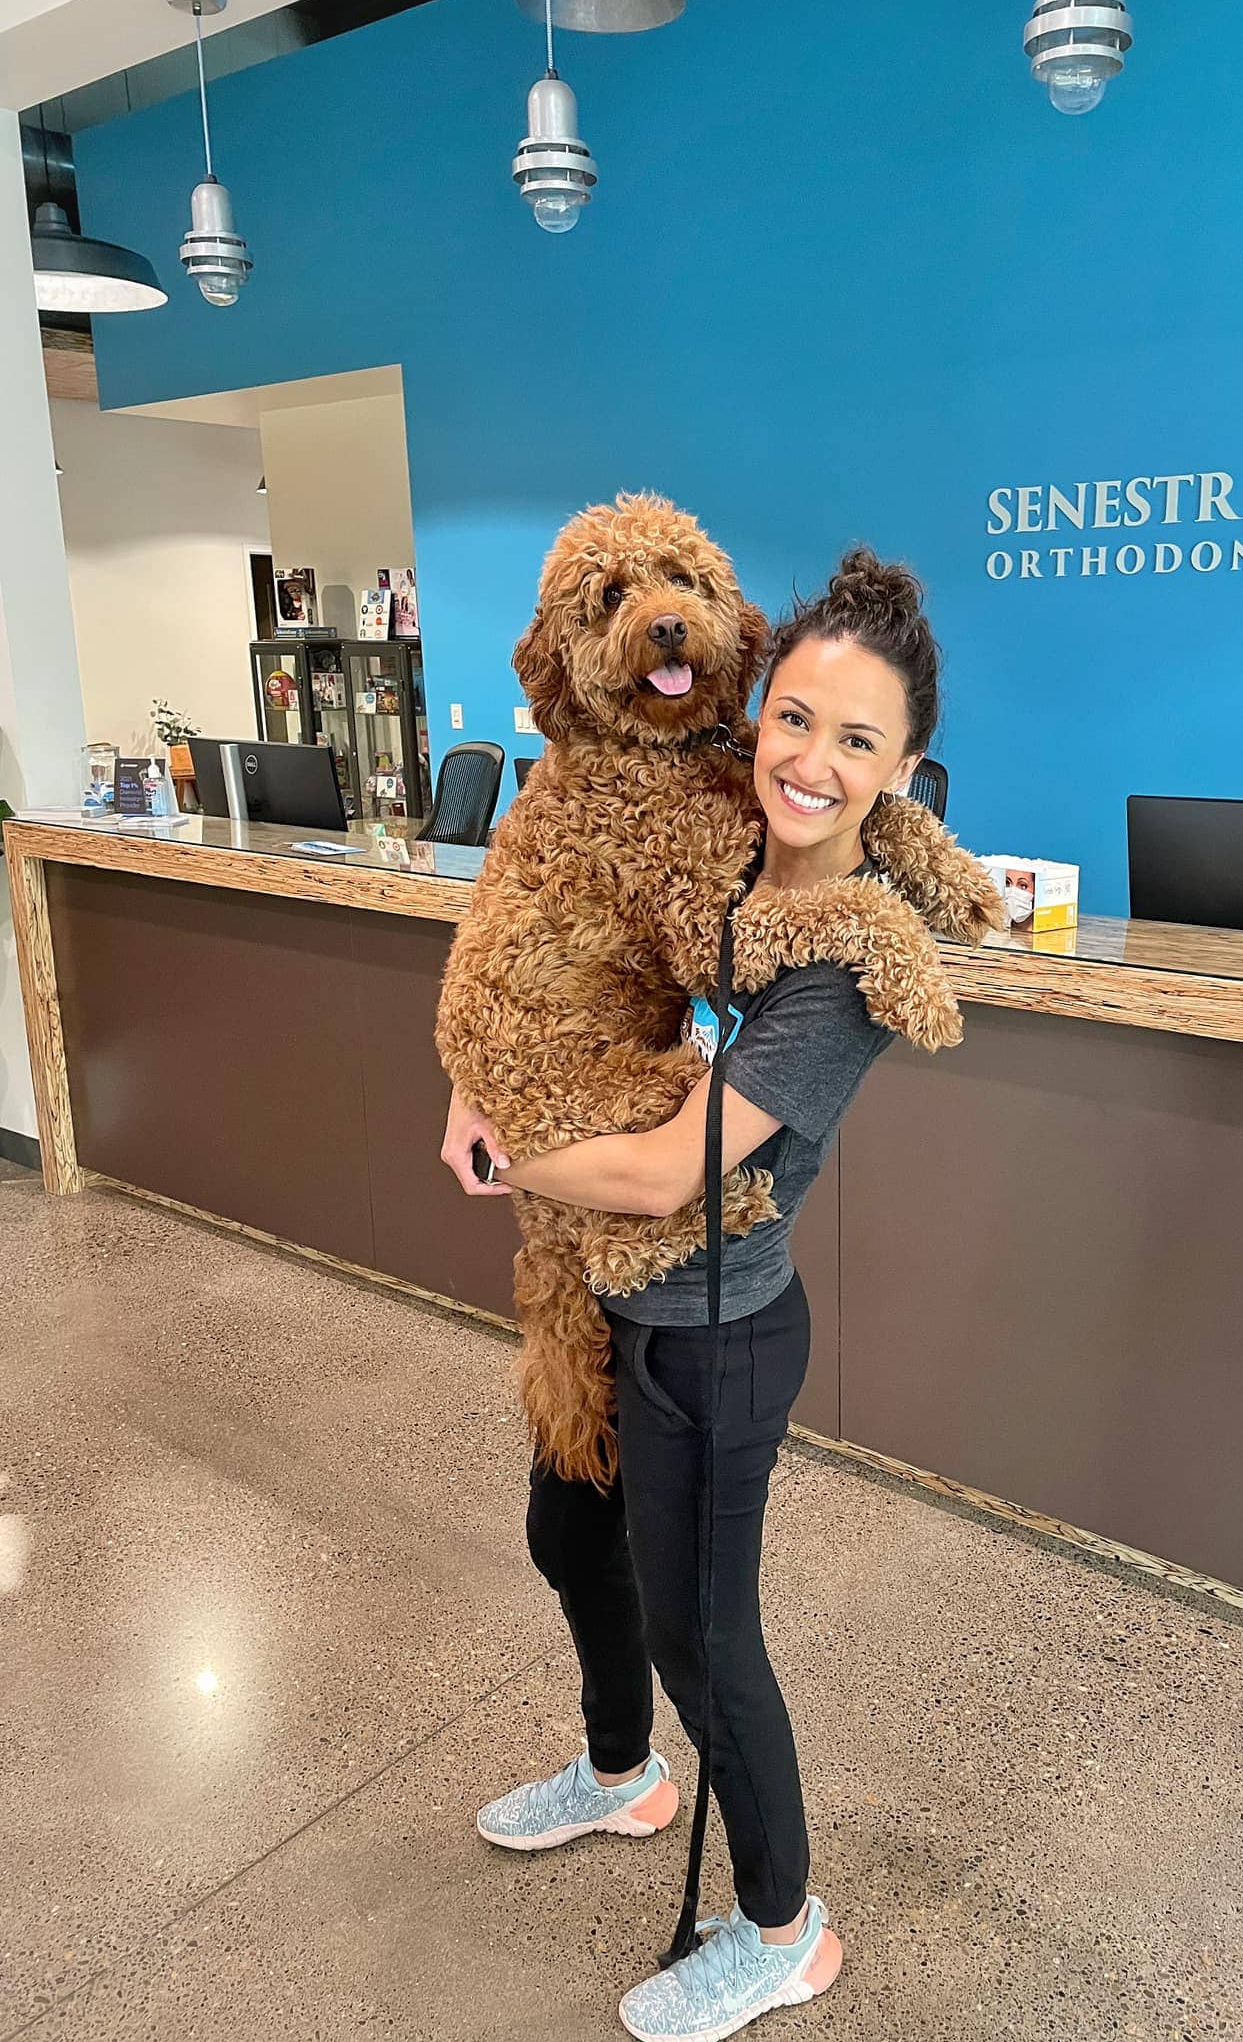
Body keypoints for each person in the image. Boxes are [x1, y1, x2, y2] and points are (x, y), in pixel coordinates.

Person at [442, 550, 946, 2042]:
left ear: (898, 773)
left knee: (704, 1636)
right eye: (794, 721)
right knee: (562, 1527)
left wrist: (512, 1149)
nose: (808, 760)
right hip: (595, 1292)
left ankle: (787, 1926)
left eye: (857, 743)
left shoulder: (843, 961)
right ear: (751, 705)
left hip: (713, 1333)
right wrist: (469, 1077)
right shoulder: (710, 809)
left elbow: (667, 1175)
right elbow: (534, 947)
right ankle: (620, 1777)